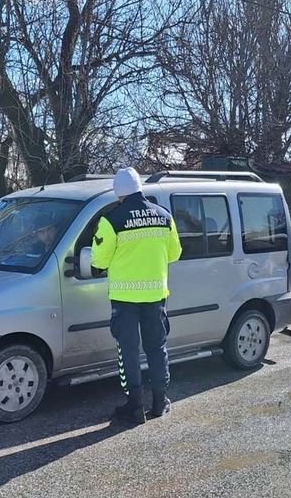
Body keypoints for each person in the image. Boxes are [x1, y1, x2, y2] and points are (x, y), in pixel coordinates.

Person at [91, 167, 182, 424]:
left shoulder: (112, 220)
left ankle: (134, 407)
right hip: (155, 296)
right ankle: (159, 402)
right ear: (140, 187)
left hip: (125, 298)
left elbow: (100, 258)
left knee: (128, 351)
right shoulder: (164, 217)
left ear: (119, 194)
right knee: (157, 347)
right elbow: (174, 253)